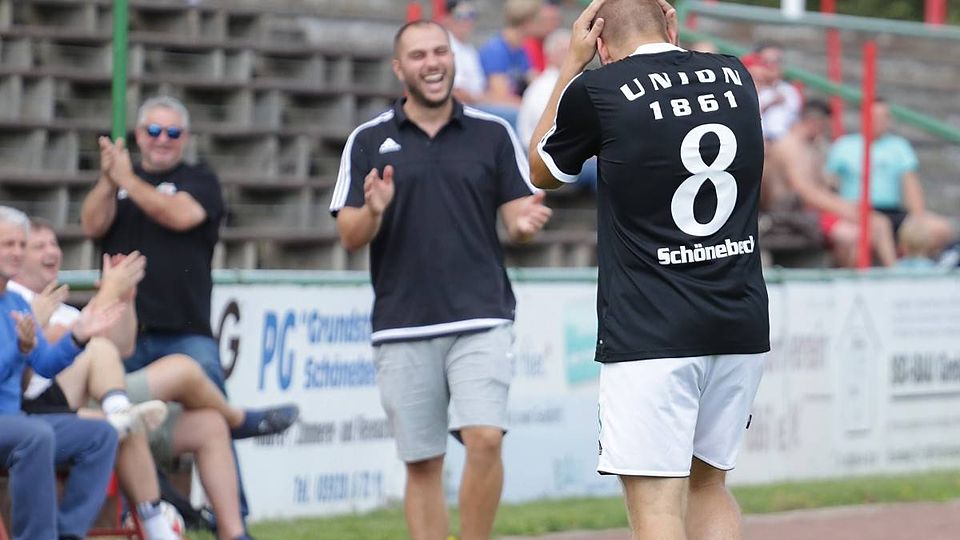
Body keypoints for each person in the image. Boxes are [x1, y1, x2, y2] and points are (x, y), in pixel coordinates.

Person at [528, 1, 769, 539]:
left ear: (599, 43)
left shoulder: (598, 89)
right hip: (738, 318)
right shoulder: (736, 75)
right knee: (709, 486)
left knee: (657, 506)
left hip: (652, 327)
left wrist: (571, 66)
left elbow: (541, 170)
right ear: (670, 23)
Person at [330, 19, 552, 540]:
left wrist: (524, 225)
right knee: (423, 463)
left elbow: (518, 221)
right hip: (403, 322)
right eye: (419, 55)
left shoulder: (492, 133)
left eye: (440, 52)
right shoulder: (367, 140)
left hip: (482, 315)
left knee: (486, 439)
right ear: (399, 68)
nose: (432, 63)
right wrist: (375, 210)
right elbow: (349, 236)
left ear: (453, 59)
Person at [13, 218, 295, 540]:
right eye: (38, 246)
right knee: (181, 370)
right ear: (16, 257)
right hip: (59, 410)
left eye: (53, 243)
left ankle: (234, 534)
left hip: (104, 399)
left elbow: (121, 347)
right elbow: (71, 347)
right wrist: (108, 291)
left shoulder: (56, 304)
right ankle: (238, 420)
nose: (51, 251)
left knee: (209, 425)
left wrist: (125, 297)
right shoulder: (16, 300)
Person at [0, 205, 121, 540]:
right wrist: (20, 347)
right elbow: (17, 357)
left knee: (102, 435)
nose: (17, 252)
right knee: (36, 435)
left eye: (21, 244)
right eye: (7, 244)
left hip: (14, 420)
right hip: (15, 426)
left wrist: (78, 336)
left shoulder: (17, 303)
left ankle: (67, 534)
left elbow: (44, 364)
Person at [767, 100, 897, 267]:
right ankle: (873, 275)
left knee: (879, 223)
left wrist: (847, 206)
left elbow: (820, 188)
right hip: (791, 215)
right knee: (859, 234)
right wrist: (846, 209)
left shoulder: (812, 145)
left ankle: (890, 273)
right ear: (815, 122)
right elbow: (805, 194)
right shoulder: (790, 147)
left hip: (809, 212)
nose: (825, 131)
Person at [824, 98, 956, 254]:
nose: (880, 121)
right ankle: (891, 266)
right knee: (861, 235)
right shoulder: (844, 146)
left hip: (893, 211)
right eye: (875, 117)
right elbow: (828, 184)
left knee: (941, 229)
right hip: (856, 212)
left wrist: (918, 218)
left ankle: (910, 261)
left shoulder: (898, 146)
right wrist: (842, 211)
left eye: (884, 117)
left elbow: (910, 184)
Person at [516, 28, 598, 192]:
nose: (569, 54)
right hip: (544, 160)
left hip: (559, 152)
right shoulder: (545, 85)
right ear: (549, 54)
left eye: (570, 49)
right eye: (563, 50)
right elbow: (552, 132)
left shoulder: (562, 82)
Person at [478, 0, 544, 123]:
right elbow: (500, 96)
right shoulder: (496, 49)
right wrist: (532, 106)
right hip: (494, 111)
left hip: (513, 105)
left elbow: (536, 81)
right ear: (528, 22)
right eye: (539, 20)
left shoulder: (521, 48)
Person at [440, 0, 488, 105]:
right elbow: (453, 90)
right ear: (447, 18)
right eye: (459, 15)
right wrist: (481, 100)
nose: (467, 21)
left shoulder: (469, 49)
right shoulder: (443, 46)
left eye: (471, 15)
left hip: (476, 104)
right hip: (459, 106)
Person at [753, 42, 801, 142]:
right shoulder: (747, 89)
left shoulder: (789, 91)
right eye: (766, 61)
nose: (772, 66)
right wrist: (768, 104)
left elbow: (794, 121)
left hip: (782, 142)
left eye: (776, 61)